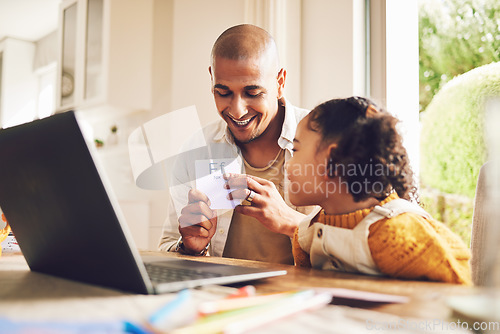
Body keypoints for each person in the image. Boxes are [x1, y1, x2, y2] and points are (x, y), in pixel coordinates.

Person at [158, 24, 315, 264]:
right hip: (223, 297)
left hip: (302, 297)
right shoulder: (198, 149)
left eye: (252, 92)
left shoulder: (324, 141)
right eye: (223, 92)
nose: (237, 110)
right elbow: (167, 248)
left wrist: (293, 223)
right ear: (212, 78)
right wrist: (191, 247)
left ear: (280, 82)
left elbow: (362, 243)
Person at [287, 96, 472, 284]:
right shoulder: (304, 236)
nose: (288, 165)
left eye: (295, 150)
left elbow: (459, 288)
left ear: (333, 161)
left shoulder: (398, 235)